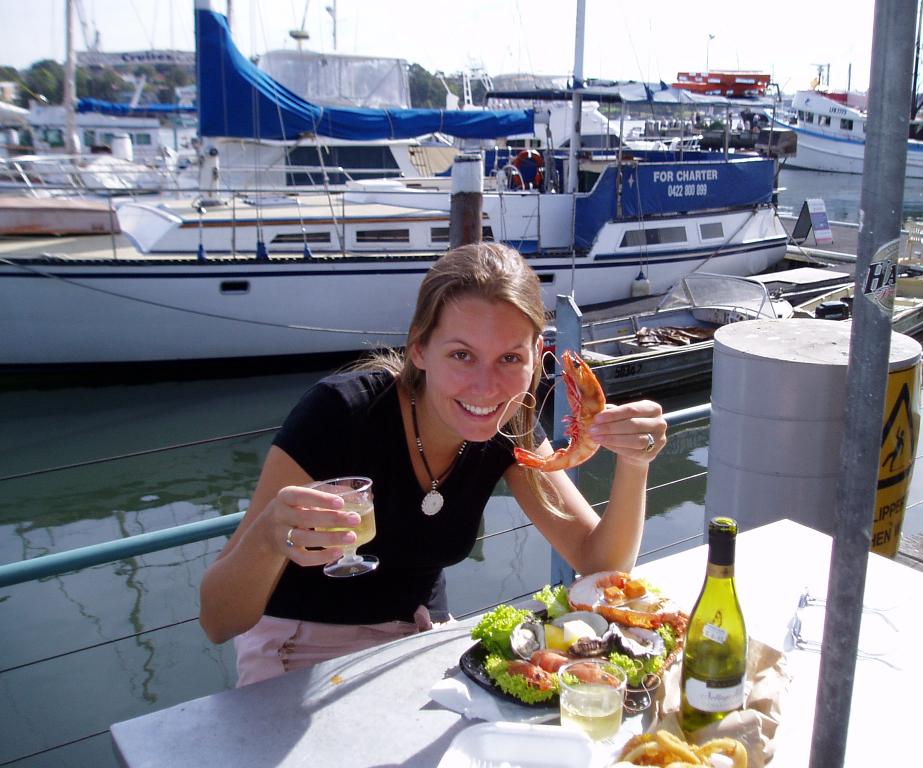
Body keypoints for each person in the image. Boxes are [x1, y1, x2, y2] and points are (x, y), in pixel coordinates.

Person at [199, 242, 668, 685]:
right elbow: (219, 621)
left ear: (537, 357)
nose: (486, 388)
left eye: (509, 357)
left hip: (418, 643)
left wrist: (635, 462)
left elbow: (599, 563)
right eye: (462, 355)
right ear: (419, 348)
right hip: (297, 653)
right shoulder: (339, 414)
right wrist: (268, 536)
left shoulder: (512, 426)